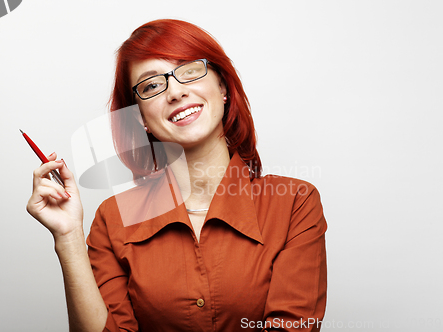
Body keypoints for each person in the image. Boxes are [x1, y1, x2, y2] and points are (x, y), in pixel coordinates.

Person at [27, 19, 327, 332]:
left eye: (189, 70)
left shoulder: (295, 203)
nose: (176, 92)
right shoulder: (112, 220)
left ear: (222, 87)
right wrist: (68, 237)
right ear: (140, 116)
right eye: (152, 86)